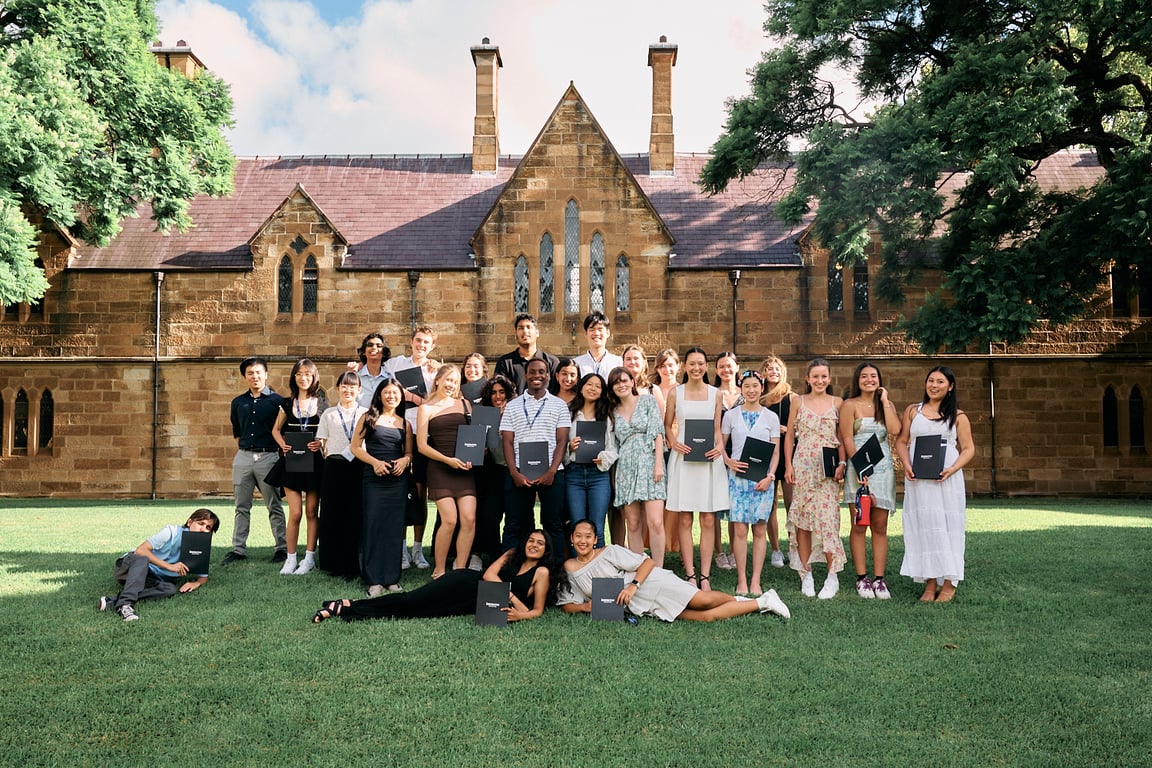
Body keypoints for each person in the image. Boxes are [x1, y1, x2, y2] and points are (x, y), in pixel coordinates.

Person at [557, 520, 790, 622]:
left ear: (595, 539)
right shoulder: (569, 568)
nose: (583, 541)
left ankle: (759, 601)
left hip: (650, 583)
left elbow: (647, 562)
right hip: (639, 605)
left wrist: (633, 586)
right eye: (578, 536)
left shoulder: (609, 552)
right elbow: (567, 604)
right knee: (705, 617)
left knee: (702, 601)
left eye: (588, 536)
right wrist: (585, 607)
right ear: (571, 539)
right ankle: (759, 602)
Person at [312, 529, 561, 623]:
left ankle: (350, 607)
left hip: (473, 604)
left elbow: (537, 610)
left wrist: (520, 614)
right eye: (531, 540)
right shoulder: (512, 553)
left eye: (540, 543)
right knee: (411, 601)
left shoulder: (542, 572)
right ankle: (347, 606)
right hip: (465, 583)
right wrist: (510, 597)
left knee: (417, 611)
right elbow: (488, 575)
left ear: (546, 549)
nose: (534, 545)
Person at [895, 366, 975, 603]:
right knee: (925, 526)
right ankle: (930, 583)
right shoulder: (913, 411)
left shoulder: (958, 416)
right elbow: (901, 441)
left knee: (949, 526)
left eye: (940, 381)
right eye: (931, 380)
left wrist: (953, 468)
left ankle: (949, 583)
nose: (934, 385)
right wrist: (906, 464)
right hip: (919, 479)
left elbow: (968, 448)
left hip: (946, 478)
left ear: (950, 387)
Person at [664, 347, 729, 590]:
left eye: (701, 363)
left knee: (709, 519)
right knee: (684, 518)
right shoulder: (675, 393)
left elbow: (717, 430)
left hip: (709, 460)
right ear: (685, 366)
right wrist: (674, 442)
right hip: (684, 459)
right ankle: (690, 574)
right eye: (692, 363)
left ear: (706, 366)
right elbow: (667, 425)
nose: (696, 368)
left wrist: (719, 446)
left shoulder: (716, 394)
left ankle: (705, 576)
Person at [784, 358, 846, 599]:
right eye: (815, 376)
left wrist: (842, 463)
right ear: (808, 379)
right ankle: (806, 573)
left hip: (827, 470)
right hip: (803, 466)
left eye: (824, 376)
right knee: (803, 520)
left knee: (828, 520)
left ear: (829, 379)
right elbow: (790, 435)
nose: (820, 381)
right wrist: (788, 464)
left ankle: (832, 575)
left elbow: (842, 436)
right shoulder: (797, 401)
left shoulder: (837, 403)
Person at [839, 361, 901, 599]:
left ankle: (879, 579)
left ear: (879, 380)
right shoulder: (849, 405)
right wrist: (860, 468)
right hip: (859, 469)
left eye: (873, 376)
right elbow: (847, 438)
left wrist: (885, 401)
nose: (869, 380)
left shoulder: (886, 405)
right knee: (859, 524)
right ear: (858, 380)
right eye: (864, 376)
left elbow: (894, 430)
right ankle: (862, 578)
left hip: (883, 470)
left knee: (880, 526)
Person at [98, 508, 221, 622]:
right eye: (200, 523)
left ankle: (112, 601)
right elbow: (140, 551)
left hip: (150, 578)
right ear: (189, 522)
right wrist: (169, 566)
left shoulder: (201, 547)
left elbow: (203, 577)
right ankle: (125, 605)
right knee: (143, 559)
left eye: (208, 527)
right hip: (130, 567)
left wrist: (195, 583)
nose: (203, 529)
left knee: (170, 589)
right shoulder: (171, 532)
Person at [500, 358, 571, 553]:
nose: (536, 375)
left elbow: (562, 441)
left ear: (548, 375)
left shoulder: (559, 405)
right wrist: (514, 473)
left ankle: (554, 568)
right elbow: (507, 441)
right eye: (532, 372)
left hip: (552, 472)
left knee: (553, 524)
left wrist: (551, 471)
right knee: (514, 523)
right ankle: (510, 568)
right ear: (526, 375)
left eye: (541, 371)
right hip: (519, 471)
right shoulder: (513, 406)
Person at [350, 378, 413, 596]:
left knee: (394, 528)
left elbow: (409, 452)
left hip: (397, 482)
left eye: (395, 393)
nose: (391, 396)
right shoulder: (368, 418)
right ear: (379, 395)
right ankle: (374, 580)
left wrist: (405, 460)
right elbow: (355, 447)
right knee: (373, 526)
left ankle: (392, 578)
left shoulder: (405, 424)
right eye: (387, 392)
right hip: (373, 480)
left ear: (401, 396)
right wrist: (375, 463)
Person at [721, 370, 781, 596]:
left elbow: (775, 452)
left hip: (762, 480)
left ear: (762, 388)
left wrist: (770, 476)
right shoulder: (731, 416)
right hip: (737, 480)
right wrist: (728, 461)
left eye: (755, 385)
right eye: (747, 386)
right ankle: (742, 580)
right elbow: (721, 445)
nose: (751, 390)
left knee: (760, 529)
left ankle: (756, 580)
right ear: (741, 389)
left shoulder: (771, 417)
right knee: (739, 529)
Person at [224, 357, 287, 566]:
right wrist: (246, 451)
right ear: (245, 376)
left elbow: (282, 432)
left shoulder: (278, 401)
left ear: (266, 374)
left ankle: (282, 548)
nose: (255, 376)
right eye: (250, 373)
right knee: (241, 506)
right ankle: (238, 550)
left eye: (258, 372)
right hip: (243, 457)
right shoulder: (238, 402)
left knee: (274, 505)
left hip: (268, 457)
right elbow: (237, 431)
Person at [417, 364, 478, 579]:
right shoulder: (426, 408)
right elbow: (421, 446)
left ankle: (460, 569)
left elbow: (474, 437)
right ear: (438, 380)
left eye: (455, 381)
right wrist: (448, 460)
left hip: (464, 470)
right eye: (448, 380)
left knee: (469, 518)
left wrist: (473, 456)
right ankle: (440, 570)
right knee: (450, 520)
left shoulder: (465, 404)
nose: (451, 384)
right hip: (440, 468)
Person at [271, 358, 328, 575]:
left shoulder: (322, 403)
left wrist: (320, 442)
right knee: (295, 513)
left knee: (312, 511)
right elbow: (275, 430)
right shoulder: (287, 403)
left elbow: (328, 431)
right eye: (299, 374)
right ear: (294, 377)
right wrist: (283, 445)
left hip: (314, 463)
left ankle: (309, 558)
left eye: (307, 374)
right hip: (292, 461)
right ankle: (291, 558)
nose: (303, 378)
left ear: (314, 377)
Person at [606, 367, 667, 565]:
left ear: (632, 382)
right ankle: (638, 568)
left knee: (655, 521)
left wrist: (658, 465)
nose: (621, 385)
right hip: (625, 467)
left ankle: (658, 568)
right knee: (632, 523)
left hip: (650, 462)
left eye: (624, 380)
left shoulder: (647, 401)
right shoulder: (612, 411)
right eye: (616, 383)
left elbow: (658, 432)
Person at [315, 372, 368, 580]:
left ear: (359, 390)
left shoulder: (366, 413)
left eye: (352, 386)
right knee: (332, 514)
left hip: (359, 466)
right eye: (344, 386)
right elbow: (323, 442)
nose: (348, 390)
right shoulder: (329, 414)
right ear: (337, 388)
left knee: (355, 513)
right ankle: (333, 562)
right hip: (334, 467)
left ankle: (354, 563)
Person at [564, 372, 617, 547]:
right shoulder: (569, 413)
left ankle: (599, 564)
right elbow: (559, 444)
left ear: (602, 391)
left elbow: (613, 448)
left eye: (598, 386)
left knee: (597, 528)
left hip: (598, 476)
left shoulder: (606, 416)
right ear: (581, 388)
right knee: (577, 527)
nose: (593, 388)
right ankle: (577, 565)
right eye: (589, 384)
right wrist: (570, 447)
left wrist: (603, 458)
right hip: (574, 474)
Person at [759, 355, 797, 568]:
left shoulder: (792, 397)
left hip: (788, 453)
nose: (774, 372)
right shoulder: (759, 398)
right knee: (770, 504)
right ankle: (775, 550)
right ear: (763, 373)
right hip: (767, 453)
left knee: (792, 503)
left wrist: (788, 430)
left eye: (777, 368)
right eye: (770, 368)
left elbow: (801, 426)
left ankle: (794, 547)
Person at [474, 374, 515, 563]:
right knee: (490, 516)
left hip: (514, 470)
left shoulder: (516, 411)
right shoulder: (483, 415)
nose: (498, 396)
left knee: (515, 517)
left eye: (502, 392)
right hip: (493, 471)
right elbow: (477, 446)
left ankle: (513, 556)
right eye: (493, 392)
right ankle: (493, 556)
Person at [713, 351, 742, 572]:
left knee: (735, 505)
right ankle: (719, 552)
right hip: (716, 452)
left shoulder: (747, 392)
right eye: (721, 366)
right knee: (715, 505)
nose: (726, 369)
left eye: (729, 365)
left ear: (737, 368)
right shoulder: (712, 393)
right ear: (716, 370)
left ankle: (734, 550)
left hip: (741, 454)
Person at [653, 348, 680, 552]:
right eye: (662, 365)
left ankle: (676, 544)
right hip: (655, 447)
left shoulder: (684, 390)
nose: (667, 369)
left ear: (678, 366)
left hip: (678, 445)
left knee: (677, 497)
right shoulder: (651, 390)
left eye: (670, 365)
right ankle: (655, 544)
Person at [494, 313, 559, 395]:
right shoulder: (505, 363)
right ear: (516, 334)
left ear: (537, 332)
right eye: (520, 328)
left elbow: (557, 391)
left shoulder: (552, 362)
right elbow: (500, 392)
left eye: (529, 327)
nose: (525, 331)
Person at [384, 324, 441, 406]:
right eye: (418, 340)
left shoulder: (436, 371)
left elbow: (439, 404)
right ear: (411, 342)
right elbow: (376, 365)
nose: (421, 345)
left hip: (425, 414)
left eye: (426, 342)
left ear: (432, 346)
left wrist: (412, 397)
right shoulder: (396, 363)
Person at [573, 310, 624, 379]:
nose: (596, 333)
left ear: (607, 333)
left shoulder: (618, 363)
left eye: (600, 329)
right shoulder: (576, 363)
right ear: (585, 333)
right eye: (592, 330)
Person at [350, 332, 394, 409]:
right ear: (364, 352)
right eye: (370, 345)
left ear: (384, 352)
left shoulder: (390, 378)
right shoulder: (355, 378)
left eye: (379, 346)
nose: (374, 347)